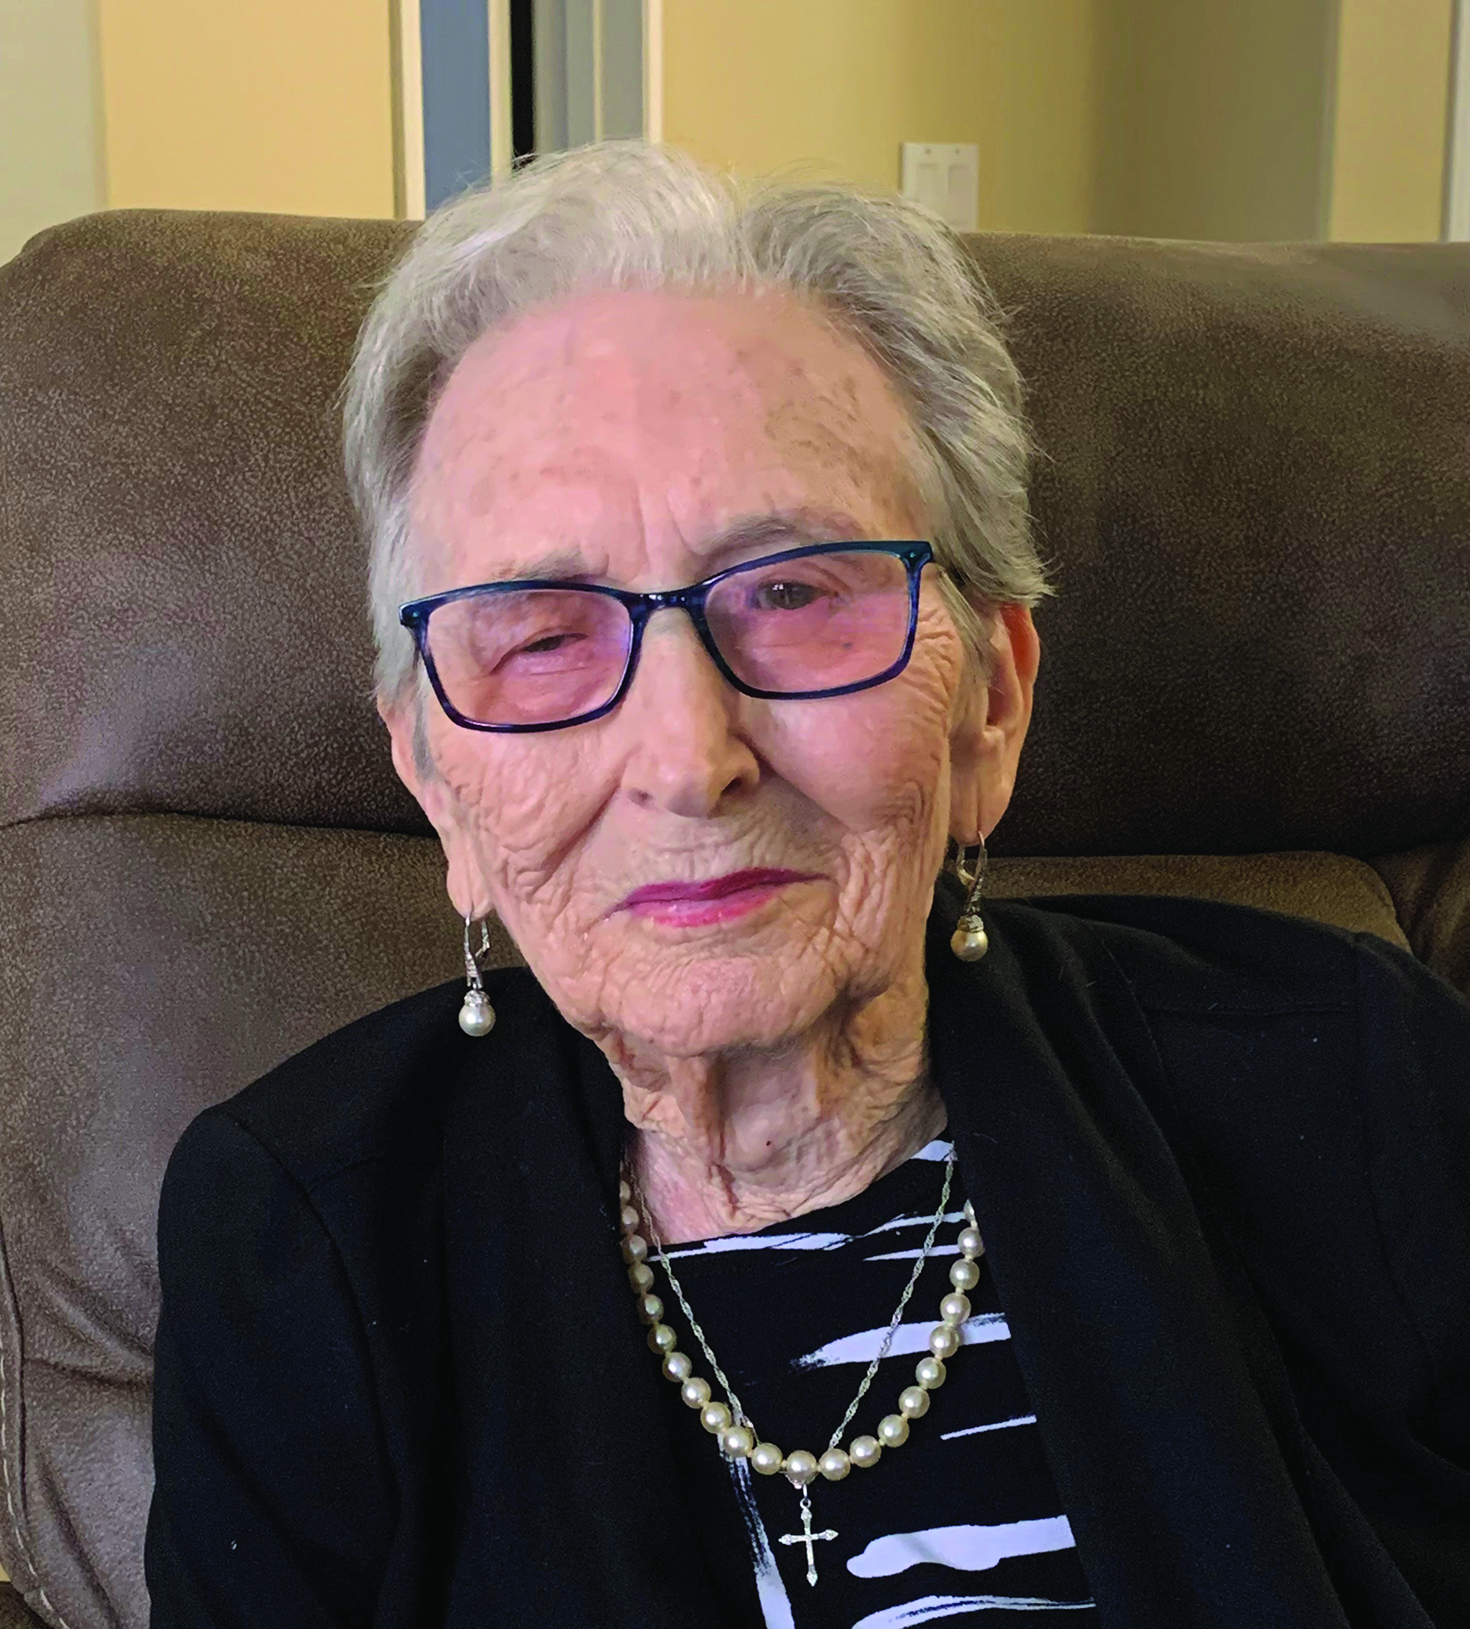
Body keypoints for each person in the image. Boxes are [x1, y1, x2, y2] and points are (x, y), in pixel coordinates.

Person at [144, 142, 1470, 1628]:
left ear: (990, 707)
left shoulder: (1354, 1082)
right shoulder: (303, 1247)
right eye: (542, 637)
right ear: (437, 786)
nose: (684, 758)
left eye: (789, 594)